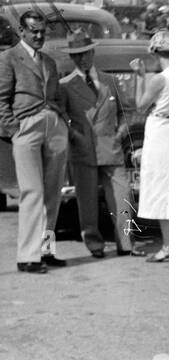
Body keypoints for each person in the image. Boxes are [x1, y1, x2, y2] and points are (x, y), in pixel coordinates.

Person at [0, 11, 71, 273]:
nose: (39, 36)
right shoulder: (8, 58)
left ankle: (46, 250)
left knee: (53, 194)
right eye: (34, 31)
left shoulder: (49, 62)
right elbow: (1, 98)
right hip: (26, 128)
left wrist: (62, 121)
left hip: (53, 127)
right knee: (32, 193)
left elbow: (57, 96)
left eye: (43, 31)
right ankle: (27, 257)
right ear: (22, 31)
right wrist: (14, 129)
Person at [60, 30, 133, 257]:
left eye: (84, 53)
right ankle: (94, 244)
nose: (81, 59)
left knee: (123, 199)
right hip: (83, 152)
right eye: (75, 55)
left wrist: (119, 133)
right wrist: (75, 136)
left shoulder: (110, 81)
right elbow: (60, 118)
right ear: (71, 58)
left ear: (92, 52)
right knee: (87, 203)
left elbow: (126, 113)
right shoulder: (64, 85)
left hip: (111, 150)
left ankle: (126, 243)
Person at [128, 31, 169, 262]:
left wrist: (139, 77)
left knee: (161, 186)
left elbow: (140, 105)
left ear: (155, 52)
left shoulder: (160, 79)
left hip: (159, 130)